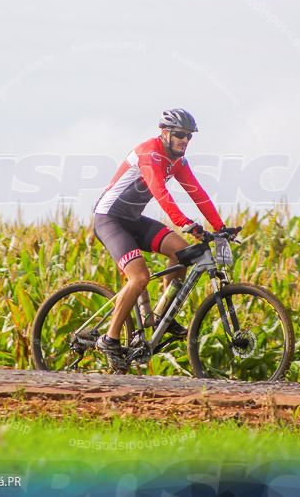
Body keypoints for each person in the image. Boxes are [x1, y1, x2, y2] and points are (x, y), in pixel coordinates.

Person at [92, 108, 229, 370]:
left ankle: (161, 317)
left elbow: (197, 193)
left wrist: (220, 227)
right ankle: (109, 339)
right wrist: (185, 223)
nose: (185, 141)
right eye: (179, 135)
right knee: (139, 277)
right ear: (165, 133)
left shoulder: (178, 162)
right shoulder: (150, 153)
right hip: (109, 219)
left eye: (189, 137)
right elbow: (160, 192)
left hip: (133, 220)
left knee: (182, 253)